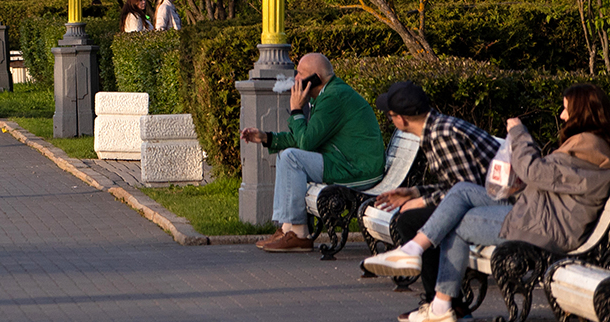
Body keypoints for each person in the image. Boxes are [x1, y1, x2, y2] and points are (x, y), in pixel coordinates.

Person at [362, 85, 610, 322]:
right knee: (461, 192)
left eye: (566, 108)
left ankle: (436, 297)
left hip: (543, 227)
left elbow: (534, 172)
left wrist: (519, 134)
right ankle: (415, 258)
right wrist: (417, 193)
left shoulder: (588, 147)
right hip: (536, 213)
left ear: (581, 113)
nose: (561, 115)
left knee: (453, 219)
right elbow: (547, 179)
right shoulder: (586, 146)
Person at [361, 81, 501, 309]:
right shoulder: (437, 128)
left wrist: (423, 200)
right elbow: (457, 186)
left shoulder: (441, 135)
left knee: (411, 220)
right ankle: (442, 303)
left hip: (495, 208)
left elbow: (466, 189)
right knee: (411, 217)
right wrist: (415, 192)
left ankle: (441, 303)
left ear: (401, 120)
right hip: (487, 200)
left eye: (390, 116)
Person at [241, 53, 386, 252]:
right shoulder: (328, 94)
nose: (295, 79)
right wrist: (267, 137)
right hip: (344, 162)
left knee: (291, 157)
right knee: (287, 155)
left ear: (315, 78)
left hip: (357, 170)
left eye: (300, 74)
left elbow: (306, 143)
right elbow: (306, 138)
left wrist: (296, 110)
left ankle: (299, 234)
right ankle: (287, 229)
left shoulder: (333, 97)